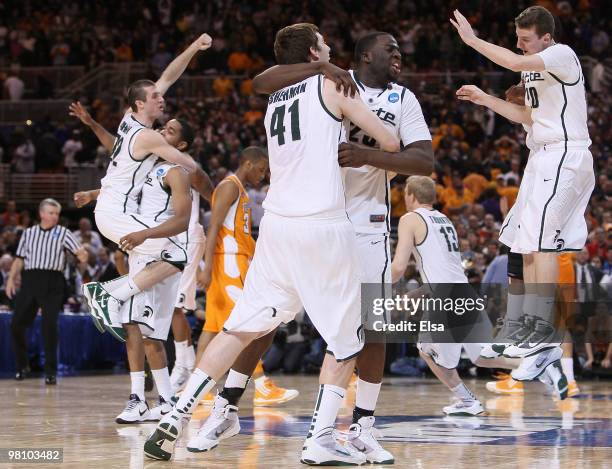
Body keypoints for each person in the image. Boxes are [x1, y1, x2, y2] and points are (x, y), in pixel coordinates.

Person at [144, 23, 399, 465]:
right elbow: (391, 141)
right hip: (322, 225)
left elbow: (267, 80)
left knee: (239, 328)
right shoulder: (333, 83)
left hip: (277, 226)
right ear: (314, 51)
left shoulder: (275, 99)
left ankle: (179, 414)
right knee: (346, 341)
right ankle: (319, 440)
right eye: (324, 43)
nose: (332, 47)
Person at [194, 31, 434, 464]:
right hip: (313, 220)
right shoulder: (324, 81)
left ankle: (360, 427)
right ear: (363, 55)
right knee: (265, 320)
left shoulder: (404, 100)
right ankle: (226, 406)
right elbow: (263, 82)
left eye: (400, 48)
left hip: (365, 225)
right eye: (390, 48)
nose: (399, 54)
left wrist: (368, 158)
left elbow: (423, 161)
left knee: (371, 329)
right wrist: (322, 66)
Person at [452, 6, 595, 379]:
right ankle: (531, 329)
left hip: (565, 152)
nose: (520, 46)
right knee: (525, 242)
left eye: (526, 40)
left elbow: (514, 63)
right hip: (542, 155)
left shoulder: (561, 55)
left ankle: (543, 332)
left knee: (543, 242)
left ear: (546, 38)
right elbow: (526, 118)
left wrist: (471, 40)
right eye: (517, 39)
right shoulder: (535, 69)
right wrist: (485, 99)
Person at [73, 114, 213, 424]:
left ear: (182, 144)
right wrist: (93, 194)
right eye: (164, 126)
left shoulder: (177, 171)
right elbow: (120, 149)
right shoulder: (148, 163)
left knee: (151, 328)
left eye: (172, 130)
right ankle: (152, 399)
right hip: (141, 251)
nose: (164, 131)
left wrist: (145, 235)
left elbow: (180, 219)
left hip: (162, 249)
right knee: (137, 329)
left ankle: (109, 293)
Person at [78, 34, 212, 341]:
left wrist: (192, 47)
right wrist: (216, 193)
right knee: (178, 255)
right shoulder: (149, 137)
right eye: (155, 97)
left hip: (111, 209)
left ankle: (115, 296)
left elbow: (168, 76)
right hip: (117, 213)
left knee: (171, 257)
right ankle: (109, 295)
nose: (161, 98)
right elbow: (189, 166)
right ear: (141, 103)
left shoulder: (129, 118)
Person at [391, 177, 536, 415]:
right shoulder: (444, 219)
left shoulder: (410, 219)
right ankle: (533, 362)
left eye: (405, 192)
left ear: (411, 195)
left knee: (427, 351)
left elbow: (398, 267)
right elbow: (444, 270)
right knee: (481, 356)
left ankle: (468, 401)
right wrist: (416, 294)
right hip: (464, 292)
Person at [194, 146, 298, 405]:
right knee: (251, 323)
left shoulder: (239, 190)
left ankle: (196, 389)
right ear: (248, 164)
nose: (263, 175)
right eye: (261, 169)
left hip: (232, 262)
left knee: (210, 329)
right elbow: (214, 227)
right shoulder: (229, 187)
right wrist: (206, 267)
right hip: (228, 265)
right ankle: (262, 385)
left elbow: (241, 235)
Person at [7, 199, 88, 384]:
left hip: (53, 282)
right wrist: (11, 279)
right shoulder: (28, 233)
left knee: (49, 327)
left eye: (57, 214)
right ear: (41, 214)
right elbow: (19, 259)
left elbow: (80, 252)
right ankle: (22, 366)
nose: (54, 216)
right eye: (51, 213)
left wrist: (83, 255)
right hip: (30, 280)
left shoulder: (63, 233)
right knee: (16, 325)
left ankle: (50, 372)